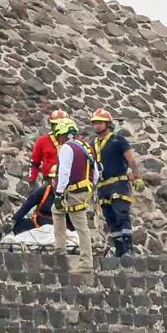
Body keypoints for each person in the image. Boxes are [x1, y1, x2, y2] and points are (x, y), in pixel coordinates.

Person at [90, 108, 144, 258]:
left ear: (108, 124)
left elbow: (131, 159)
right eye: (94, 123)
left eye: (100, 122)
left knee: (121, 214)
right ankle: (119, 249)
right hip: (102, 186)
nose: (97, 126)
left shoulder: (118, 140)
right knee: (110, 218)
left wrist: (137, 177)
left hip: (118, 184)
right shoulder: (93, 144)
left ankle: (128, 248)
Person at [52, 119, 98, 274]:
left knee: (80, 225)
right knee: (57, 211)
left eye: (58, 136)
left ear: (64, 134)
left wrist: (59, 193)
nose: (57, 139)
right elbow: (96, 171)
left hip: (73, 191)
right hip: (85, 189)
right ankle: (60, 249)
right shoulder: (85, 146)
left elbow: (64, 173)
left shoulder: (67, 147)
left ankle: (86, 263)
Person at [10, 166, 70, 234]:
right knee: (19, 225)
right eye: (54, 179)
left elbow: (73, 219)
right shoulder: (44, 190)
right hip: (39, 225)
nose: (55, 182)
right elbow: (27, 205)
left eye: (58, 179)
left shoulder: (70, 195)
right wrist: (14, 220)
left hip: (60, 229)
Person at [28, 109, 67, 185]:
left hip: (69, 181)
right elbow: (34, 163)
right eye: (55, 124)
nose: (58, 127)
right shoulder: (42, 141)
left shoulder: (73, 141)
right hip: (49, 181)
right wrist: (32, 181)